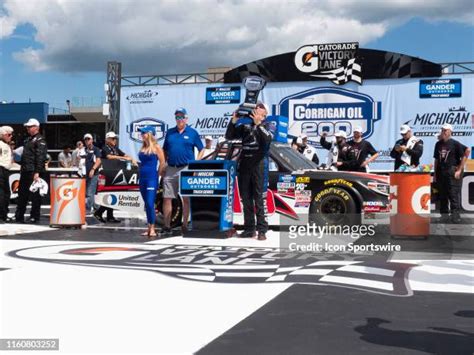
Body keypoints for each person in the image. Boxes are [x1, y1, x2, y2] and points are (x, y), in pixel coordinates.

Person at [225, 101, 273, 240]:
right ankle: (249, 229)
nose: (255, 111)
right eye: (255, 109)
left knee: (259, 197)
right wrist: (234, 121)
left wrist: (258, 124)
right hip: (245, 163)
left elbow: (268, 138)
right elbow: (229, 136)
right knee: (246, 198)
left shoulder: (268, 125)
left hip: (258, 164)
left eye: (259, 110)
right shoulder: (245, 125)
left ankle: (262, 230)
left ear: (264, 114)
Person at [161, 108, 204, 236]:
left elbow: (201, 149)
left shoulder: (192, 133)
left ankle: (185, 225)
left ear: (186, 118)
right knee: (167, 198)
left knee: (186, 198)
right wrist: (163, 165)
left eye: (181, 117)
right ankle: (167, 225)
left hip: (186, 168)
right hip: (171, 168)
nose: (179, 120)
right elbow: (164, 150)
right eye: (177, 117)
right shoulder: (170, 132)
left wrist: (195, 164)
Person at [94, 131, 136, 223]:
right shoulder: (105, 148)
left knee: (114, 193)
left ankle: (110, 216)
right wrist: (124, 158)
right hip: (107, 173)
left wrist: (132, 159)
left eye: (115, 138)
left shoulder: (116, 148)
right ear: (108, 140)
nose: (115, 140)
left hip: (115, 173)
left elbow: (125, 155)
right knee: (109, 194)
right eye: (113, 138)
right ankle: (99, 212)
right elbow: (109, 157)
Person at [434, 123, 470, 224]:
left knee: (453, 194)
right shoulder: (438, 144)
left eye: (446, 130)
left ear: (450, 132)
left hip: (452, 171)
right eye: (442, 130)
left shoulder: (455, 143)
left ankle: (456, 216)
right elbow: (436, 159)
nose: (444, 132)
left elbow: (467, 151)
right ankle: (444, 216)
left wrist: (459, 169)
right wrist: (436, 174)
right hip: (441, 171)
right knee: (443, 195)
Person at [14, 118, 48, 224]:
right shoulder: (27, 139)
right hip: (25, 170)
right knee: (22, 194)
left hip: (34, 171)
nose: (28, 128)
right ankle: (19, 216)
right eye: (27, 127)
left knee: (35, 195)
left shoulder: (40, 140)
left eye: (30, 126)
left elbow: (40, 157)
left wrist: (37, 172)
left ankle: (34, 216)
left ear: (36, 127)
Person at [138, 126, 165, 238]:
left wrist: (157, 175)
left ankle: (153, 228)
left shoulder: (157, 147)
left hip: (151, 179)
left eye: (143, 133)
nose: (141, 135)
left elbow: (162, 162)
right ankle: (149, 227)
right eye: (141, 133)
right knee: (147, 205)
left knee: (150, 203)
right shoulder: (143, 148)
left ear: (149, 134)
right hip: (142, 178)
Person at [82, 133, 102, 215]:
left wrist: (93, 169)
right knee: (89, 191)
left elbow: (98, 160)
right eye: (86, 139)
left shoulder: (96, 149)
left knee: (90, 191)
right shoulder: (84, 150)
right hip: (85, 173)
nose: (87, 141)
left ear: (92, 140)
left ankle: (88, 208)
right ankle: (97, 207)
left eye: (88, 139)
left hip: (94, 173)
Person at [0, 126, 14, 223]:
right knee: (2, 194)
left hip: (5, 170)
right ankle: (1, 215)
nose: (11, 136)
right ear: (3, 135)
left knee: (6, 193)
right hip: (1, 169)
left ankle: (3, 214)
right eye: (9, 134)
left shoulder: (6, 145)